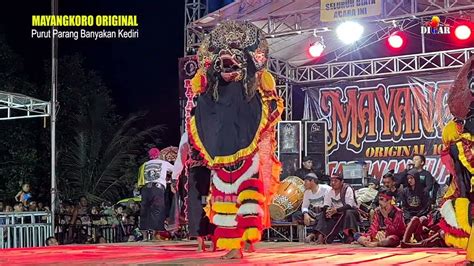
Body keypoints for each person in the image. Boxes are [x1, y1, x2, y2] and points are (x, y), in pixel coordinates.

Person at [188, 21, 283, 259]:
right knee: (223, 198)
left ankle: (246, 241)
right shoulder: (213, 94)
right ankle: (234, 245)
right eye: (222, 64)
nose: (227, 67)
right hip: (221, 157)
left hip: (245, 154)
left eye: (232, 62)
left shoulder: (251, 90)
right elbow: (201, 113)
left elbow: (270, 105)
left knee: (247, 194)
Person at [172, 131, 215, 252]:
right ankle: (201, 243)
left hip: (213, 173)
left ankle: (214, 240)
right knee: (196, 207)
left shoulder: (212, 129)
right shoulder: (188, 134)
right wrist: (174, 178)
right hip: (196, 174)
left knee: (211, 206)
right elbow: (181, 157)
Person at [137, 148, 175, 241]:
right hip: (158, 189)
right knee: (158, 210)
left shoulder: (144, 165)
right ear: (158, 155)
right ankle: (155, 236)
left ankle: (145, 237)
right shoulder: (163, 163)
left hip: (145, 189)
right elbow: (175, 170)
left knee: (145, 211)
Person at [314, 174, 359, 244]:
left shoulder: (347, 189)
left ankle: (350, 237)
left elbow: (349, 205)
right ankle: (321, 236)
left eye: (335, 181)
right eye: (331, 181)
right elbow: (326, 204)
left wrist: (336, 210)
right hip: (336, 212)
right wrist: (327, 210)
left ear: (342, 182)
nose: (333, 183)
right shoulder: (329, 191)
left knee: (348, 212)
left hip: (349, 211)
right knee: (323, 213)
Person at [292, 173, 331, 242]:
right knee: (296, 215)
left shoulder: (326, 189)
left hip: (325, 212)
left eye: (306, 182)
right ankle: (302, 235)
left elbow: (328, 205)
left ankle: (313, 234)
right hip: (314, 213)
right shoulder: (307, 192)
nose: (304, 184)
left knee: (323, 215)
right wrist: (305, 214)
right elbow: (304, 206)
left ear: (312, 181)